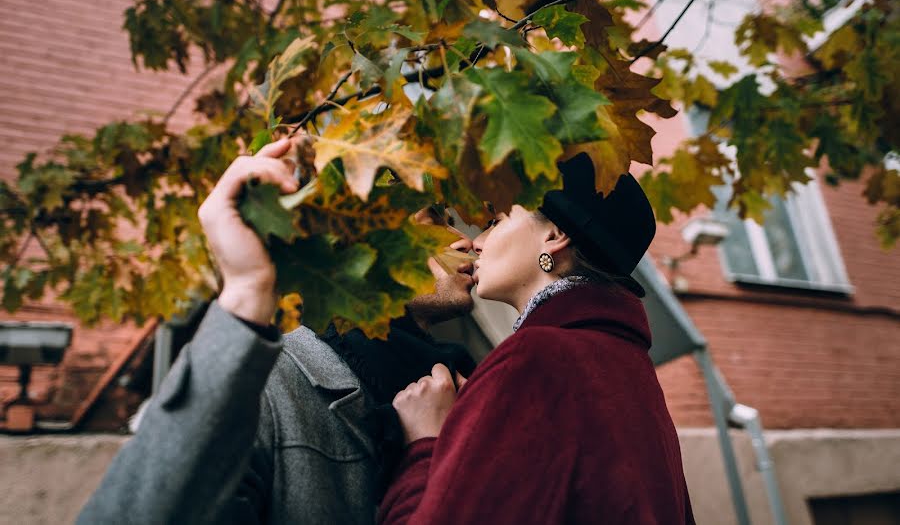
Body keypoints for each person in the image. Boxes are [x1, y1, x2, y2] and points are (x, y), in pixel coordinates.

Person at [77, 138, 477, 525]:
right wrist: (246, 293)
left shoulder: (467, 387)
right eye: (435, 220)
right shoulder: (267, 386)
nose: (465, 240)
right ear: (361, 244)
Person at [379, 152, 695, 524]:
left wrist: (424, 444)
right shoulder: (629, 373)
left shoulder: (536, 359)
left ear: (555, 234)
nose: (476, 241)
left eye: (495, 222)